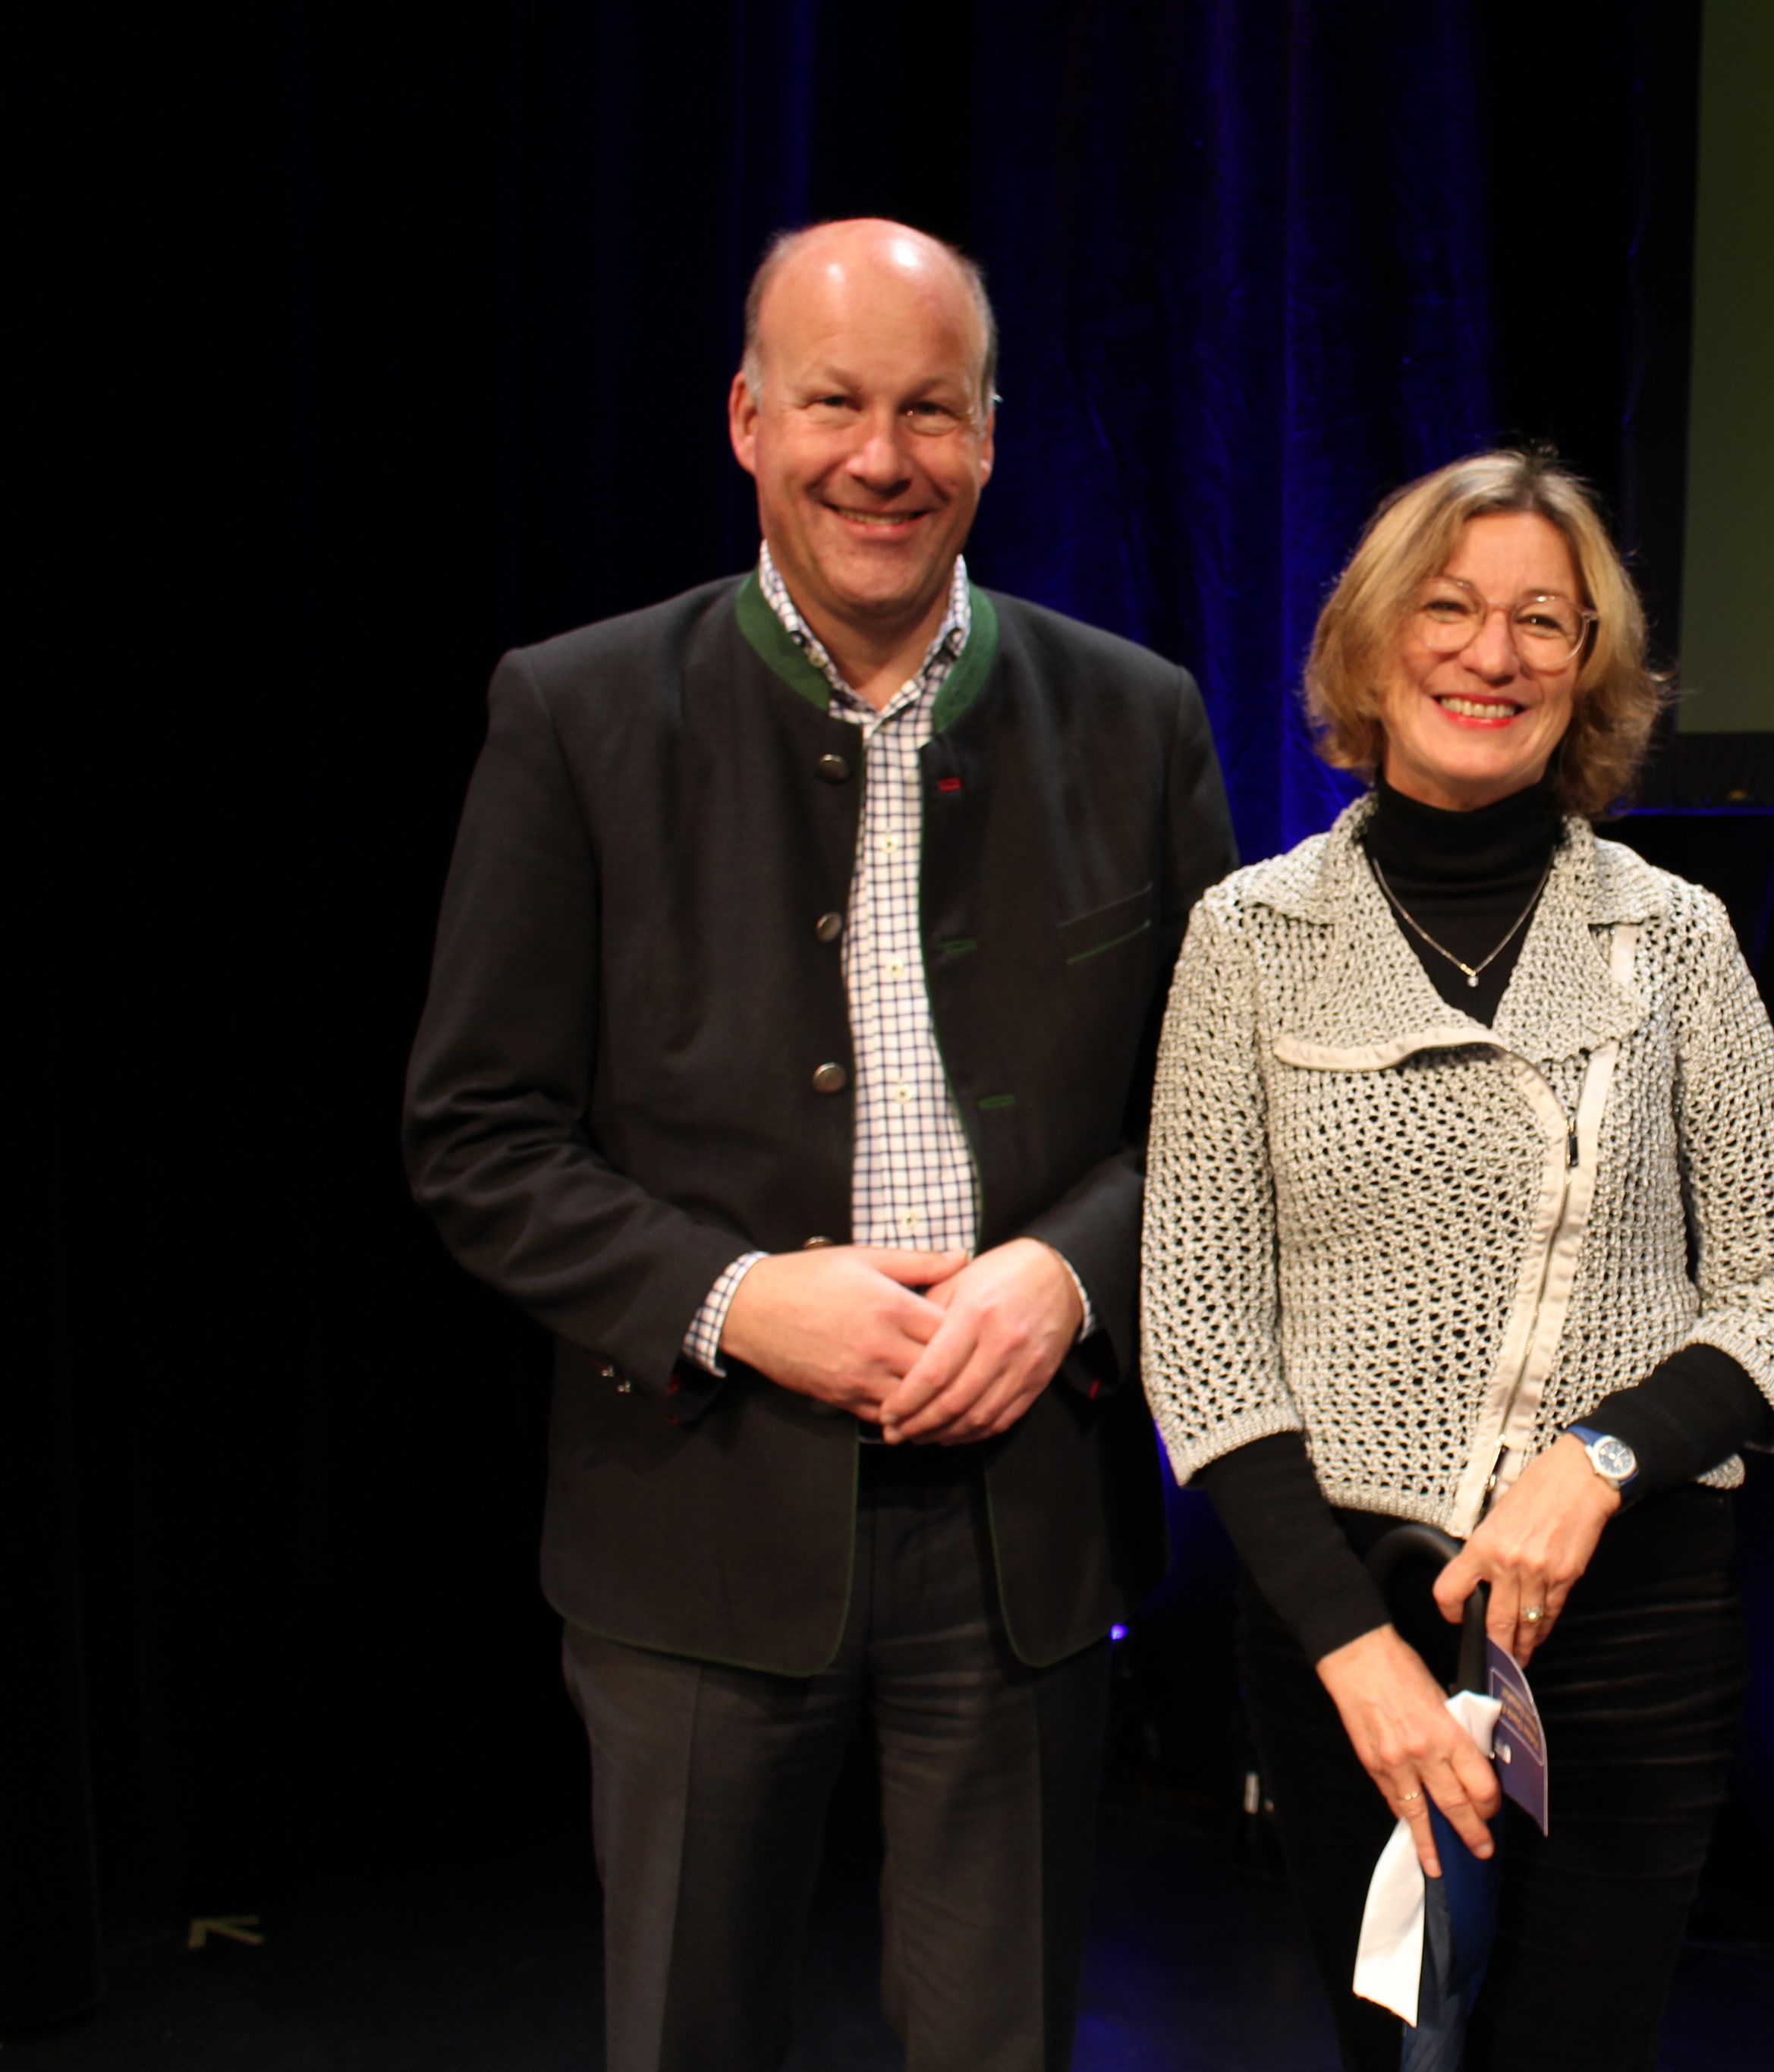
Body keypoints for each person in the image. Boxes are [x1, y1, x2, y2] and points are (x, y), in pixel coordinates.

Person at [403, 219, 1235, 2072]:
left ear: (991, 435)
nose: (883, 455)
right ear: (746, 420)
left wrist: (1066, 1275)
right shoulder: (578, 710)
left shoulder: (1135, 713)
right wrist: (733, 1298)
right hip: (695, 1514)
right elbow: (474, 1134)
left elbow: (1215, 1106)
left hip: (1022, 1517)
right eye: (836, 403)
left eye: (929, 408)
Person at [1140, 449, 1774, 2070]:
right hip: (1343, 1625)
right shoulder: (1248, 937)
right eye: (1448, 609)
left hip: (1627, 1635)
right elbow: (1199, 1333)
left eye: (1545, 619)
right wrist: (1352, 1654)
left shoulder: (1668, 934)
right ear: (1369, 646)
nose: (1494, 652)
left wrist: (1595, 1459)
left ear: (1587, 669)